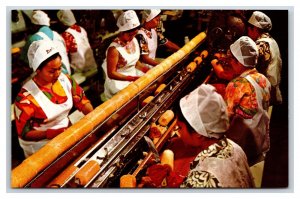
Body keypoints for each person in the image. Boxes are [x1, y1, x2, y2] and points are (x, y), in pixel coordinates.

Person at [14, 40, 94, 158]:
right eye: (51, 71)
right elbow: (24, 133)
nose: (57, 74)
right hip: (40, 145)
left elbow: (82, 102)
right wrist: (49, 133)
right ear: (37, 70)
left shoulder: (65, 79)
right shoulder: (26, 98)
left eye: (59, 68)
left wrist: (94, 119)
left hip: (65, 131)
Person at [172, 84, 254, 188]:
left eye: (180, 128)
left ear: (198, 132)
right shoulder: (234, 147)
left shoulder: (202, 179)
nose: (179, 134)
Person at [223, 36, 271, 166]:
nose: (230, 63)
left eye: (232, 60)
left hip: (242, 150)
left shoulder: (237, 85)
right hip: (259, 145)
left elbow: (224, 119)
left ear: (239, 62)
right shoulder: (263, 79)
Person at [101, 10, 150, 101]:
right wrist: (130, 79)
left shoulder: (133, 40)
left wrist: (146, 69)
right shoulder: (114, 49)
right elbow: (111, 73)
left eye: (134, 34)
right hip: (118, 82)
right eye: (130, 35)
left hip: (132, 76)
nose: (132, 37)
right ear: (122, 32)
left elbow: (135, 62)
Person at [247, 11, 282, 105]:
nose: (248, 33)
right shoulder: (272, 41)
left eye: (249, 29)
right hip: (272, 90)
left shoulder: (261, 44)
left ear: (254, 28)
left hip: (266, 93)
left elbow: (246, 64)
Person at [20, 10, 71, 75]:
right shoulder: (57, 35)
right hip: (67, 73)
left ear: (35, 25)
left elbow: (24, 61)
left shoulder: (33, 39)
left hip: (55, 77)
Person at [136, 9, 180, 74]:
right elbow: (145, 58)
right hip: (143, 69)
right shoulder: (141, 35)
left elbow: (168, 43)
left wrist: (182, 51)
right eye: (156, 20)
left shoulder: (155, 31)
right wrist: (161, 65)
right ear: (148, 20)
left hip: (153, 64)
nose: (158, 21)